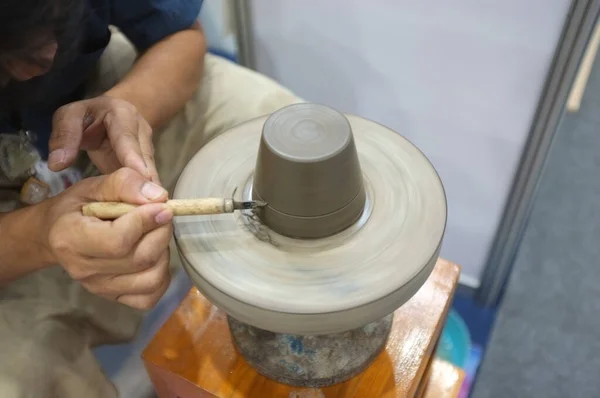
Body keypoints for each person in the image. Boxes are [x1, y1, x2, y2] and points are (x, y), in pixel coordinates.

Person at [0, 1, 301, 396]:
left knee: (272, 128)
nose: (46, 58)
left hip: (92, 101)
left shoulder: (50, 49)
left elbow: (180, 34)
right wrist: (41, 232)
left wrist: (133, 105)